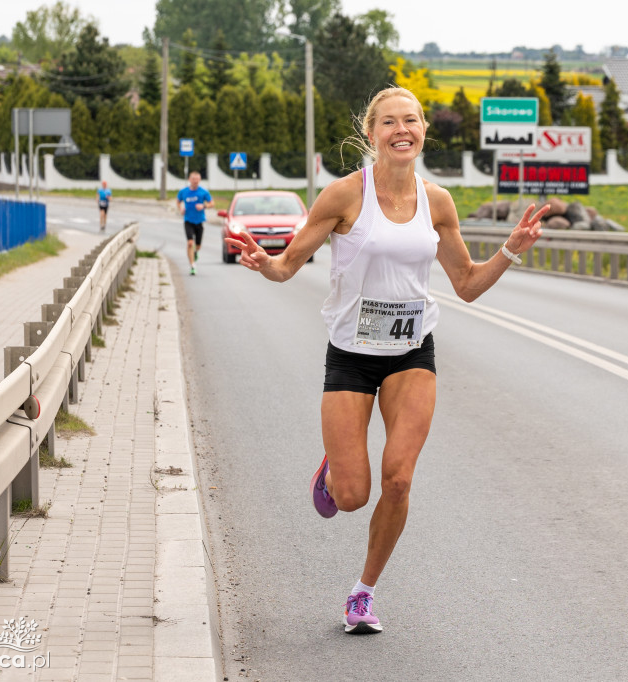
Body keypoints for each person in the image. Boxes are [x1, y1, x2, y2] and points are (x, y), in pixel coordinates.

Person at [225, 87, 549, 634]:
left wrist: (510, 250)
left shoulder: (437, 202)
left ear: (423, 130)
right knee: (353, 496)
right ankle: (334, 469)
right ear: (372, 133)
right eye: (390, 122)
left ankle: (363, 593)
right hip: (351, 355)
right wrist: (264, 263)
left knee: (398, 480)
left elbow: (466, 285)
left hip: (411, 352)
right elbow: (287, 267)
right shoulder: (343, 197)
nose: (403, 130)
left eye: (412, 121)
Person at [176, 170, 214, 276]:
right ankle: (192, 265)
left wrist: (204, 206)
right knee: (190, 243)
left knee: (197, 246)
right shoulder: (183, 192)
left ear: (200, 180)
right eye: (193, 179)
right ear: (189, 179)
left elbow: (212, 203)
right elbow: (178, 201)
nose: (195, 181)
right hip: (188, 220)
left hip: (199, 221)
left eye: (197, 179)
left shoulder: (203, 192)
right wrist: (181, 209)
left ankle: (195, 252)